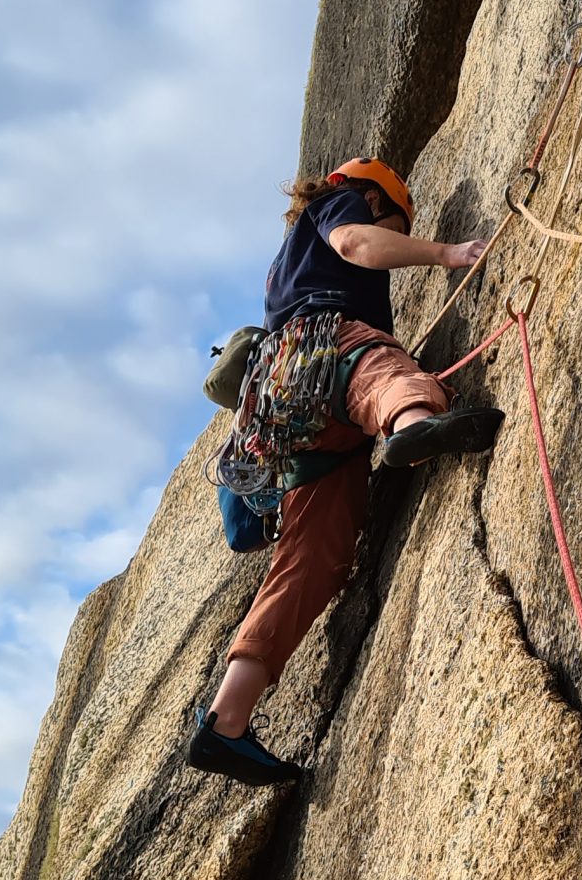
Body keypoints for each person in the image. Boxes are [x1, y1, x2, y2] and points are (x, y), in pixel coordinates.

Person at [189, 157, 499, 785]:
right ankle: (413, 427)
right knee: (377, 368)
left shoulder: (283, 269)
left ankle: (225, 720)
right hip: (320, 350)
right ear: (372, 194)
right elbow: (357, 244)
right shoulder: (338, 204)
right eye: (393, 215)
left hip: (284, 415)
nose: (386, 223)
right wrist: (447, 252)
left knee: (312, 558)